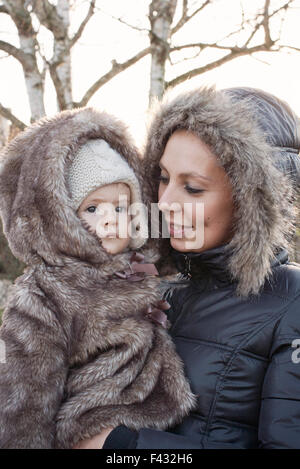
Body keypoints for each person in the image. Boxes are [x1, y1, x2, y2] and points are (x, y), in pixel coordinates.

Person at [98, 86, 300, 449]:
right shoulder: (153, 285)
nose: (166, 202)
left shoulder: (293, 302)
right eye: (162, 178)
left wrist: (124, 447)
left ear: (252, 200)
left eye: (192, 188)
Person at [0, 108, 195, 449]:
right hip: (87, 430)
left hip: (150, 427)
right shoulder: (45, 294)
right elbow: (22, 396)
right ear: (61, 219)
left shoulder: (138, 269)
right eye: (92, 208)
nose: (110, 219)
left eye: (121, 208)